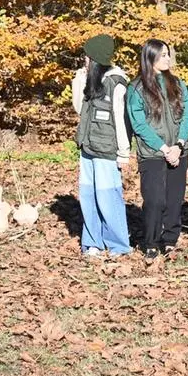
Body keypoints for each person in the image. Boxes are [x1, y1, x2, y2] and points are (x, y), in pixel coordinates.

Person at [127, 39, 188, 261]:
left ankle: (170, 239)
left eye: (168, 54)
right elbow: (139, 124)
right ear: (151, 57)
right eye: (163, 55)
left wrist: (179, 145)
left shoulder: (178, 84)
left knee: (174, 199)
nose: (167, 58)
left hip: (178, 150)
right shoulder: (136, 88)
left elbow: (187, 114)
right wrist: (164, 148)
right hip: (153, 153)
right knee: (155, 200)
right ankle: (151, 242)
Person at [71, 34, 132, 258]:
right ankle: (92, 242)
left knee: (108, 197)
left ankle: (119, 245)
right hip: (87, 148)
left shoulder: (116, 83)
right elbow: (79, 109)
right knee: (88, 196)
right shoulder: (89, 80)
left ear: (95, 58)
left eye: (87, 57)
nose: (84, 61)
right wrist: (79, 79)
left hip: (107, 150)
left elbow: (121, 120)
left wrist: (123, 153)